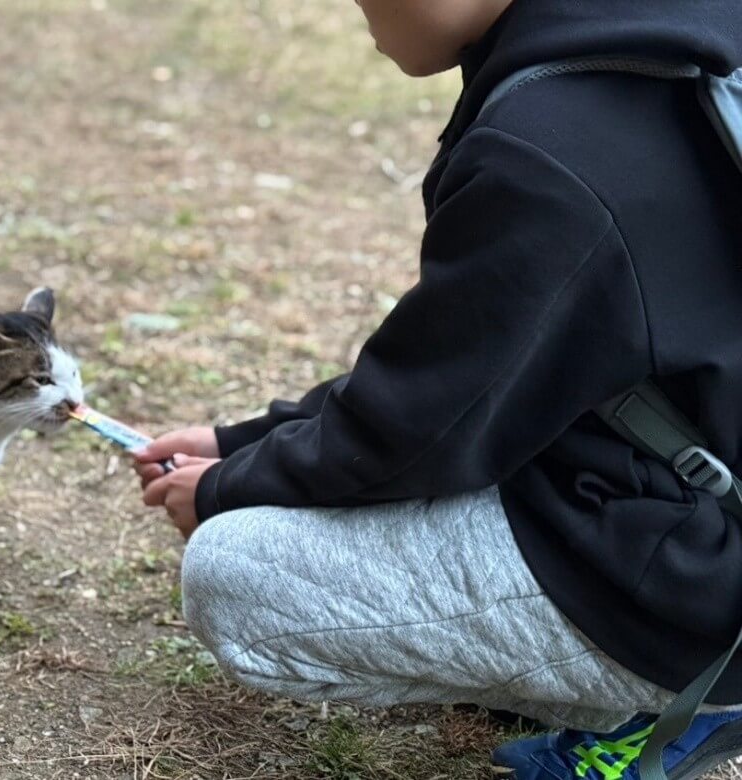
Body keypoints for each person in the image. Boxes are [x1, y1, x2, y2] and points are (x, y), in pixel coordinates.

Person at [133, 1, 742, 778]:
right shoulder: (672, 35)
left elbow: (417, 428)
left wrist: (224, 488)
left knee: (237, 574)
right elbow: (481, 357)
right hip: (700, 497)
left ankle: (665, 710)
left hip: (699, 592)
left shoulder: (551, 146)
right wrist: (244, 438)